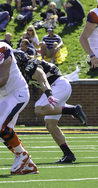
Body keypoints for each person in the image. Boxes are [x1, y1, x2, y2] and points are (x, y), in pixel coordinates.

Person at [13, 50, 87, 163]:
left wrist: (49, 94)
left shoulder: (30, 66)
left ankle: (72, 110)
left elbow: (43, 80)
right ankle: (68, 154)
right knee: (50, 125)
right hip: (59, 87)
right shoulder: (24, 70)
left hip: (58, 86)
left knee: (39, 109)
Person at [0, 42, 38, 175]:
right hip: (4, 96)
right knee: (4, 130)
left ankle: (22, 155)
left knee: (1, 126)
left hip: (17, 93)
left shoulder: (3, 48)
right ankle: (28, 164)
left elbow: (3, 78)